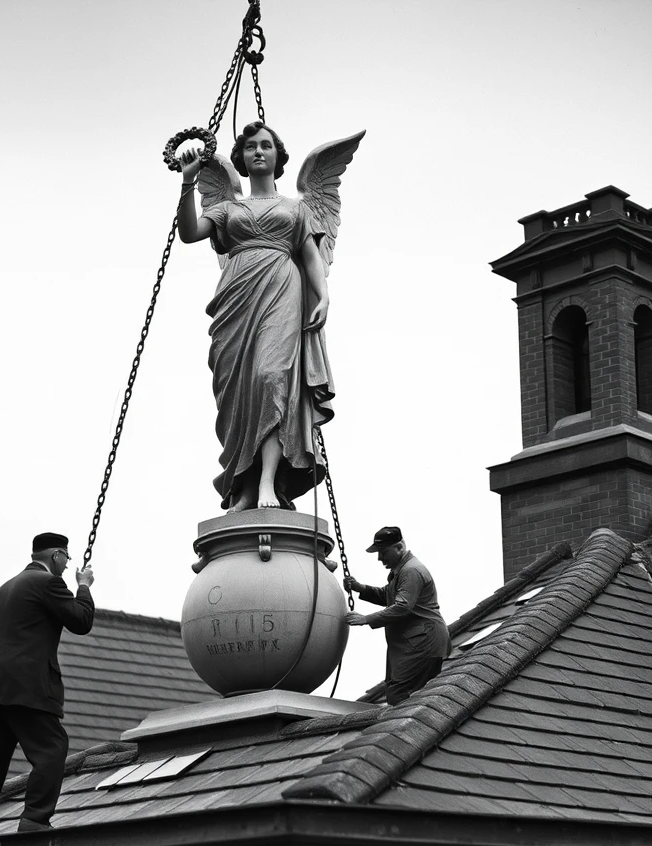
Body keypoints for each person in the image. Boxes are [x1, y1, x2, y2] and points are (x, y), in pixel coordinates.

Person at [176, 121, 363, 513]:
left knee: (271, 378)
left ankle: (267, 483)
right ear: (241, 159)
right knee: (237, 390)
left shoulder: (296, 209)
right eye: (250, 148)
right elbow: (190, 233)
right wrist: (188, 183)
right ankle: (242, 484)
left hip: (281, 291)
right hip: (236, 299)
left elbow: (311, 256)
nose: (258, 151)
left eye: (266, 146)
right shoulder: (228, 207)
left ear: (278, 157)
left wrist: (324, 296)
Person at [0, 533, 95, 838]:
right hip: (28, 687)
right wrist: (83, 585)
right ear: (57, 556)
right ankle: (34, 819)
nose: (66, 564)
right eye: (66, 558)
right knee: (51, 750)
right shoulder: (49, 584)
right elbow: (81, 621)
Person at [345, 526, 450, 706]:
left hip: (421, 642)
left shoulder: (410, 571)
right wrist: (360, 588)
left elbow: (402, 607)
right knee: (406, 694)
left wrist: (366, 619)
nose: (379, 558)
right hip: (414, 642)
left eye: (383, 552)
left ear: (399, 548)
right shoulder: (402, 570)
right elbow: (390, 595)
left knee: (400, 694)